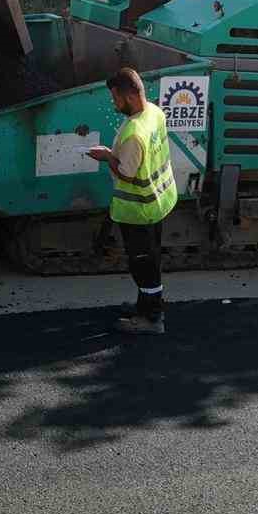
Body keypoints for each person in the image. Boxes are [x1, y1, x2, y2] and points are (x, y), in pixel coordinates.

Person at [85, 67, 178, 335]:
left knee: (142, 264)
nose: (113, 104)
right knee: (151, 257)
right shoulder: (154, 113)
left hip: (139, 209)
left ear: (128, 96)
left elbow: (126, 173)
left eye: (115, 98)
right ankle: (146, 304)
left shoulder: (134, 134)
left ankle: (152, 318)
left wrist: (106, 157)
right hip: (160, 200)